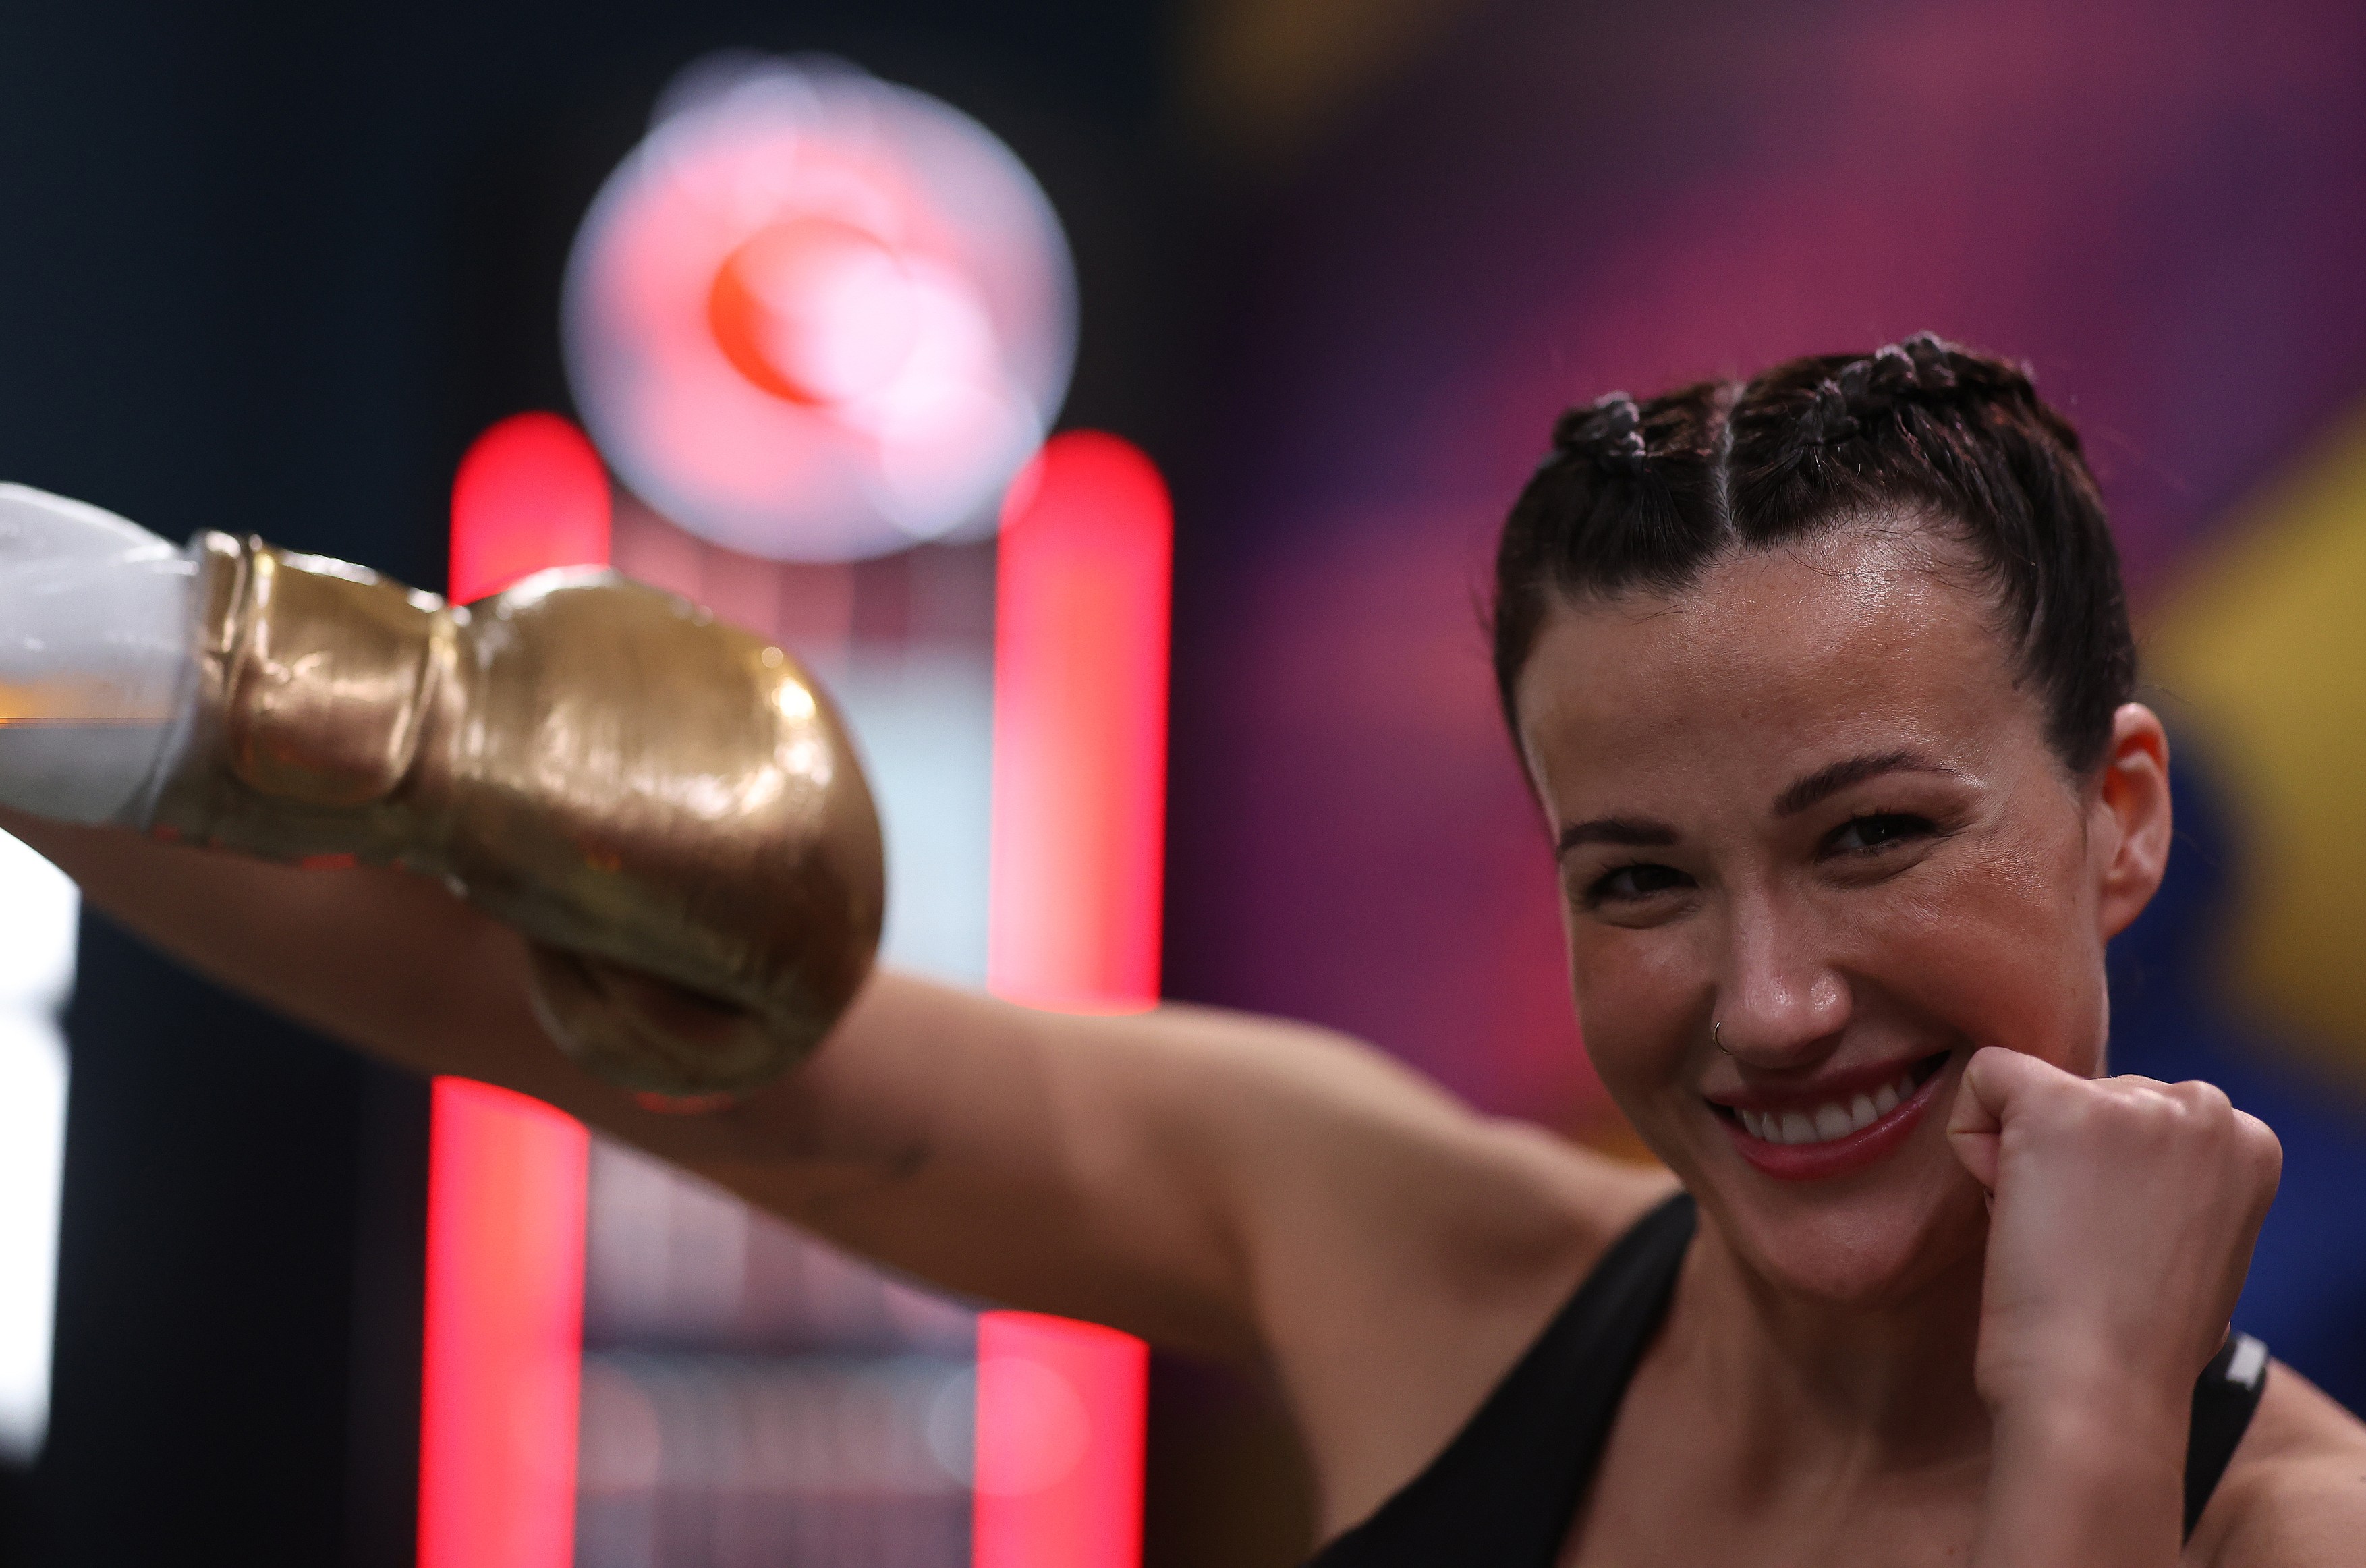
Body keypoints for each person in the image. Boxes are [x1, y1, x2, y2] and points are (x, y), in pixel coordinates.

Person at [5, 334, 2363, 1565]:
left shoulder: (2290, 1530)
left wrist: (2084, 1423)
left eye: (1869, 837)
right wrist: (85, 660)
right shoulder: (1431, 1260)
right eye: (1639, 878)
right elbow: (539, 1000)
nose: (1764, 1001)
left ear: (2118, 814)